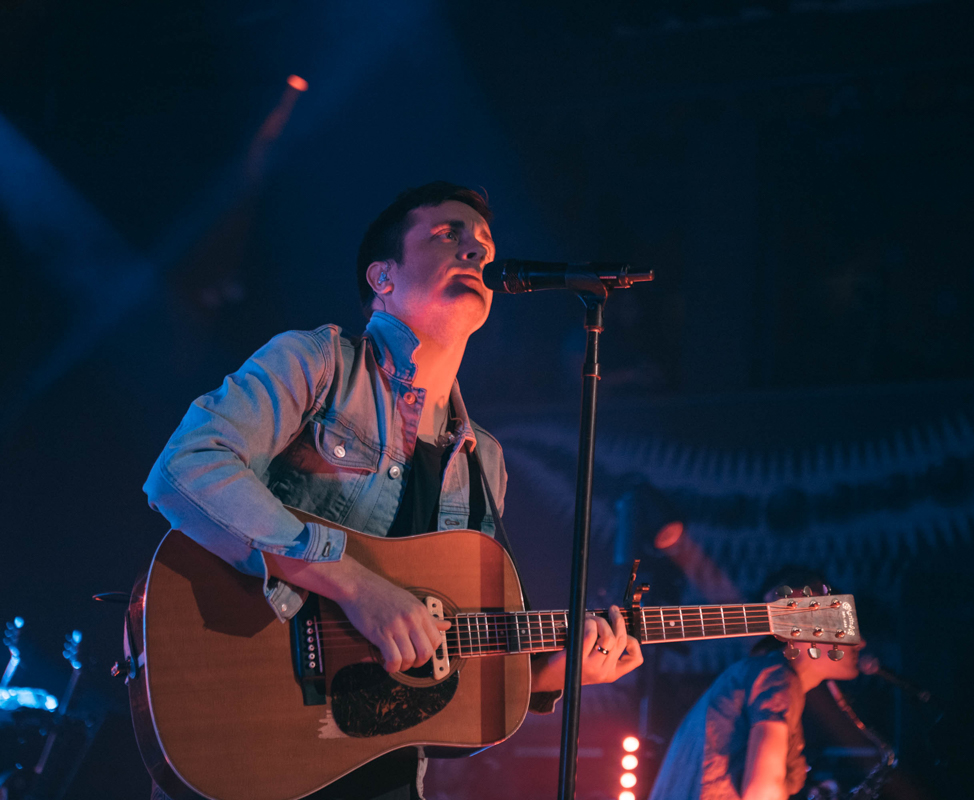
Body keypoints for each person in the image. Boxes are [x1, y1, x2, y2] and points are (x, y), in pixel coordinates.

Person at [143, 181, 643, 799]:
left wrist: (550, 675)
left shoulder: (485, 460)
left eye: (485, 243)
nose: (476, 250)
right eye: (448, 234)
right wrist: (355, 586)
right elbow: (186, 468)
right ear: (383, 276)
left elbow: (448, 667)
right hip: (252, 733)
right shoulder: (319, 362)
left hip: (383, 774)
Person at [648, 574, 860, 800]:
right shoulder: (777, 677)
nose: (861, 642)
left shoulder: (758, 673)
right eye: (845, 624)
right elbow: (761, 793)